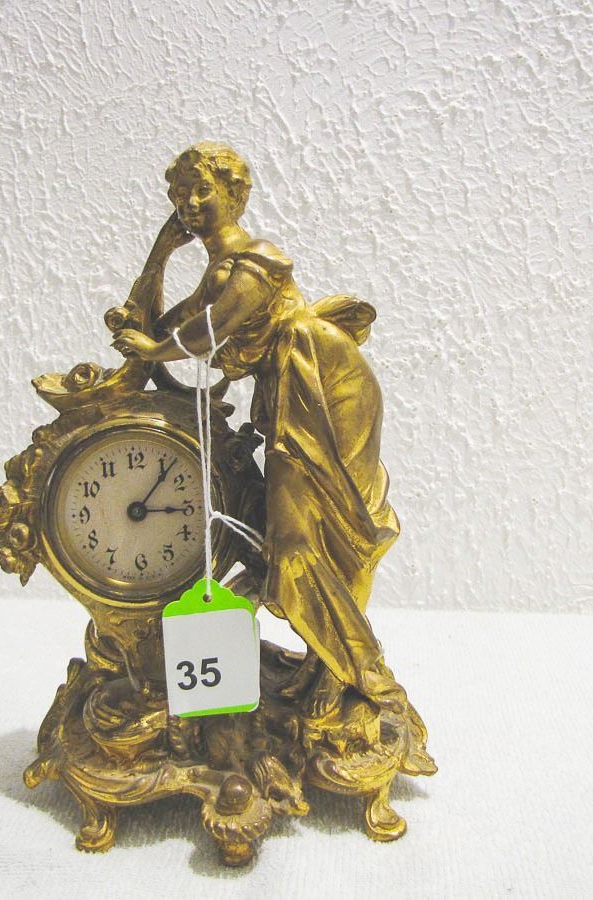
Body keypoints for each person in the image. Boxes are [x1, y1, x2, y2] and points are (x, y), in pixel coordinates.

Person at [112, 143, 405, 719]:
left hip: (327, 382)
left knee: (319, 534)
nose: (190, 203)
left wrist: (151, 349)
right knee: (300, 537)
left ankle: (352, 670)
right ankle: (325, 664)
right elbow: (163, 324)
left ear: (236, 196)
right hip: (293, 388)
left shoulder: (258, 261)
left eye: (203, 190)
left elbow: (208, 332)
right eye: (180, 194)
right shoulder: (219, 269)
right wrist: (159, 253)